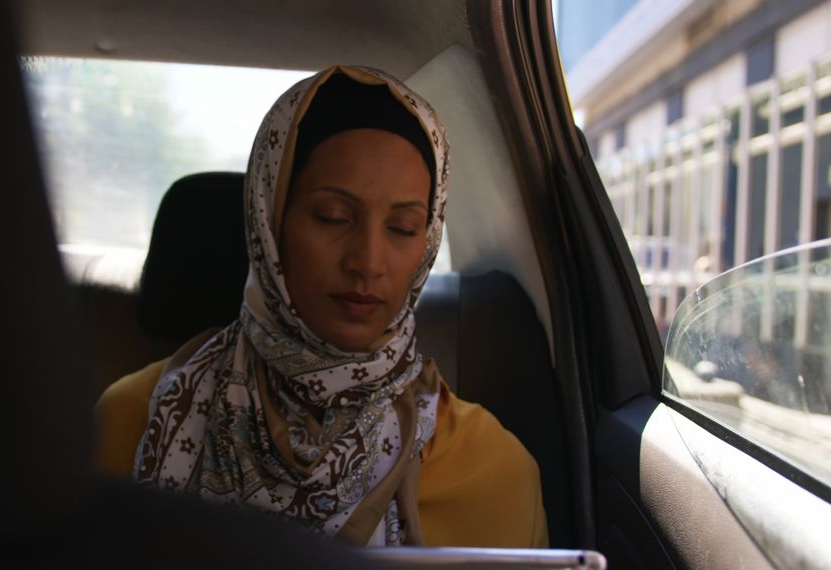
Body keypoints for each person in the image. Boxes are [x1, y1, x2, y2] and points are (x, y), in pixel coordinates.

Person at [93, 65, 547, 548]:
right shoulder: (130, 422)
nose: (368, 262)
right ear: (269, 225)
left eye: (403, 228)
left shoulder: (492, 471)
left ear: (428, 242)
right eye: (333, 217)